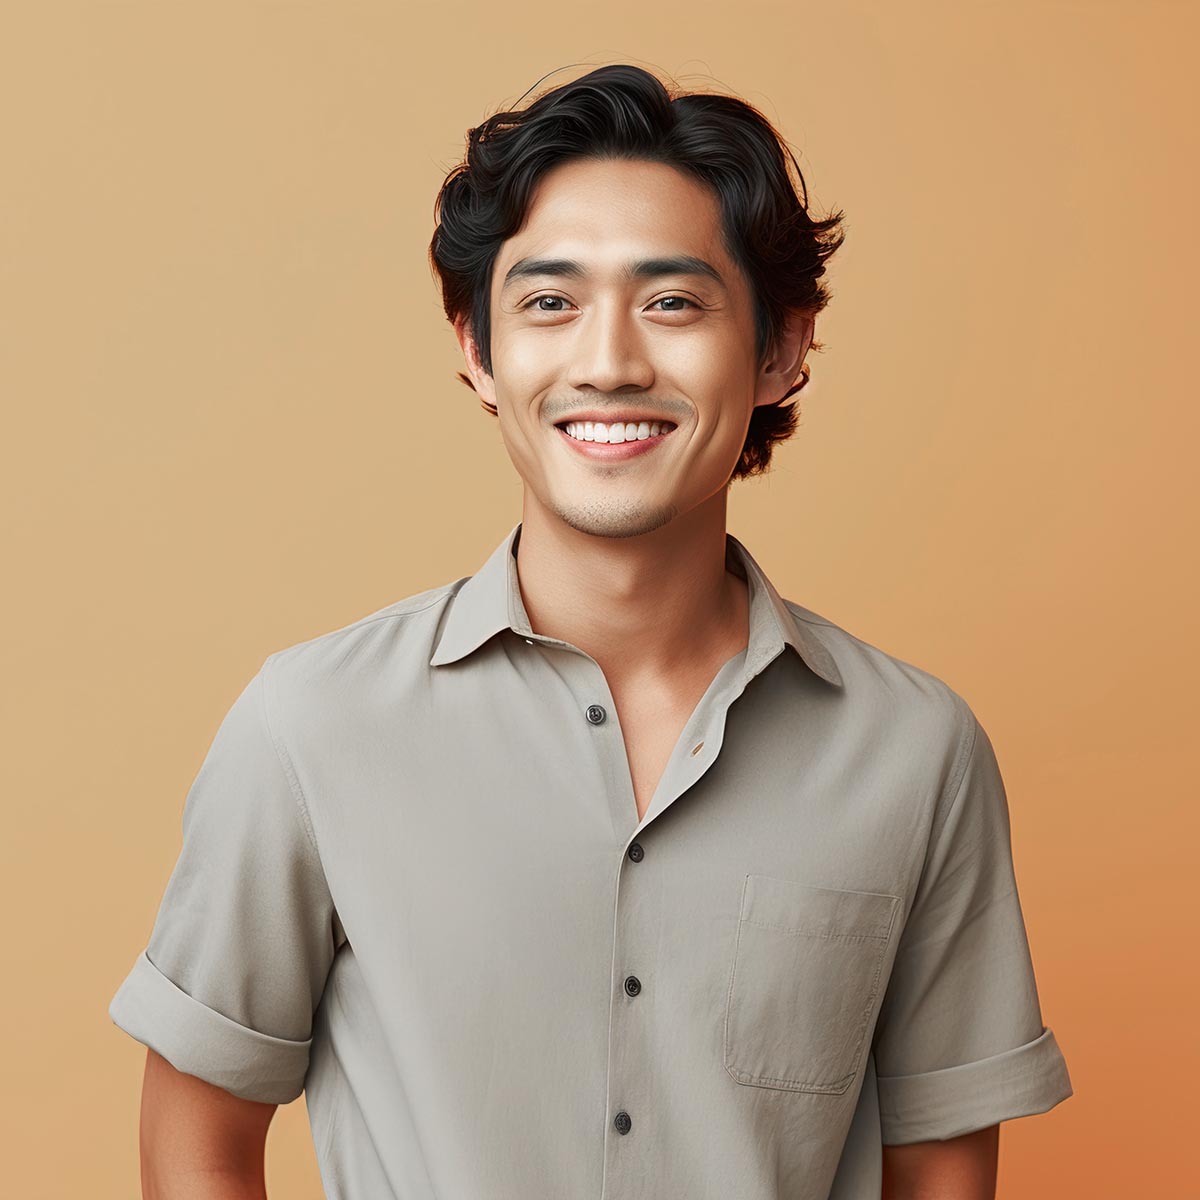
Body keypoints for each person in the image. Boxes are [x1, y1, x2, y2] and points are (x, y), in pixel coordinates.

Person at [108, 63, 1073, 1200]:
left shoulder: (917, 751)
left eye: (672, 302)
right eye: (550, 303)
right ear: (477, 350)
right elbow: (197, 1132)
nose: (610, 361)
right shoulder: (311, 726)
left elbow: (943, 1163)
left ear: (780, 350)